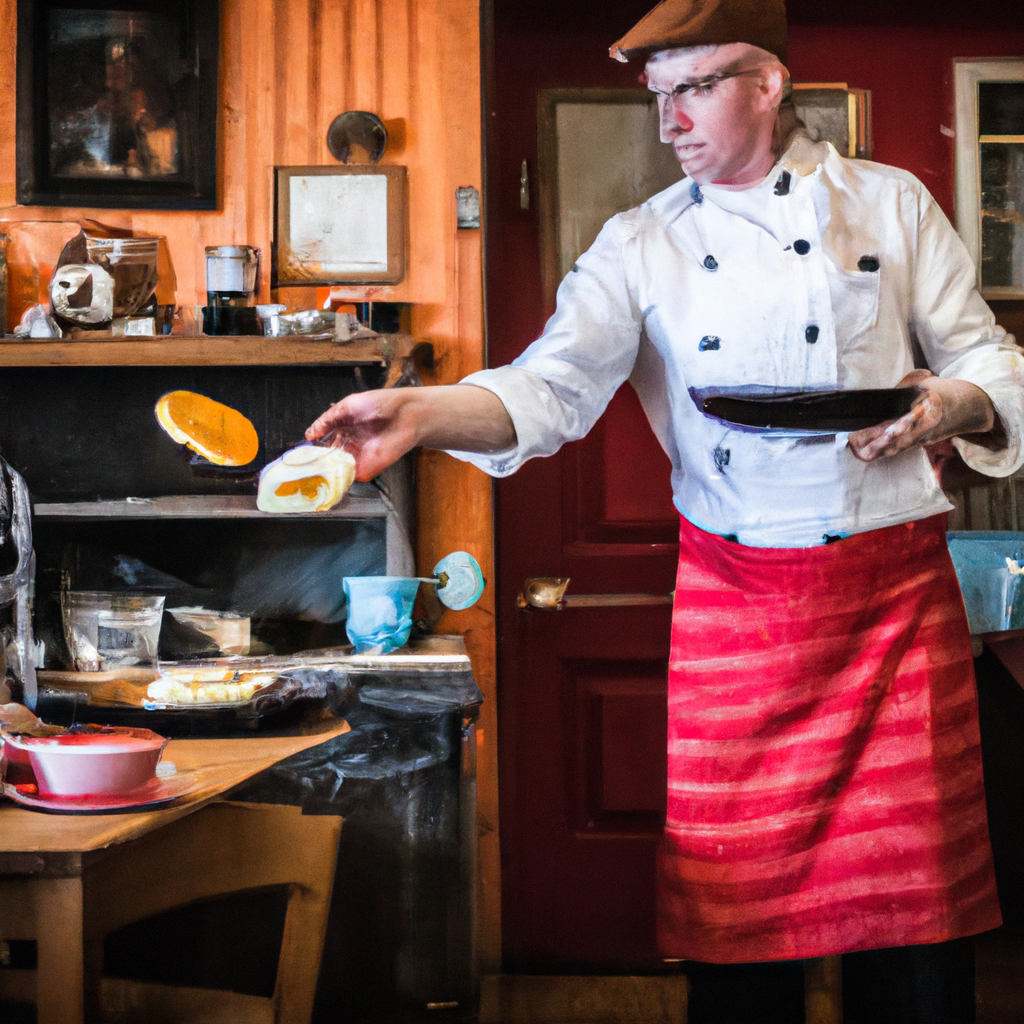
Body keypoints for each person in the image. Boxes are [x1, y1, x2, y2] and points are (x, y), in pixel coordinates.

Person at [307, 0, 1024, 1018]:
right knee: (737, 932)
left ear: (769, 83)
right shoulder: (642, 243)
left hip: (891, 606)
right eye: (657, 96)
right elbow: (547, 388)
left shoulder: (892, 205)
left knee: (910, 936)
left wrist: (952, 402)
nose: (668, 121)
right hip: (738, 607)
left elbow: (987, 355)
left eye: (692, 88)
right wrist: (419, 412)